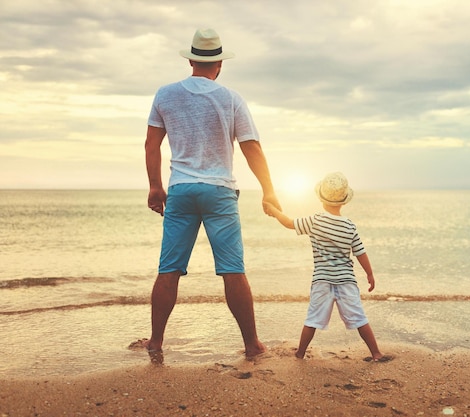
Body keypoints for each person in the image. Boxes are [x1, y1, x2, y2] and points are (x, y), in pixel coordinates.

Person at [142, 27, 281, 364]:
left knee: (169, 269)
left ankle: (156, 342)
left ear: (191, 59)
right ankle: (252, 345)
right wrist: (269, 191)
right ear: (219, 64)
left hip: (181, 189)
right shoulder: (231, 98)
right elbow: (252, 149)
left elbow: (151, 144)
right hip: (219, 191)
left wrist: (155, 186)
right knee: (233, 270)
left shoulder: (165, 94)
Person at [263, 172, 391, 362]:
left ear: (321, 199)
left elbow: (289, 223)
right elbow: (360, 252)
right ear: (344, 201)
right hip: (346, 281)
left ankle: (300, 353)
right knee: (359, 318)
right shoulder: (349, 226)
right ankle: (376, 353)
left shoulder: (315, 220)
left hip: (322, 280)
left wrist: (274, 211)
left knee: (312, 319)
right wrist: (369, 274)